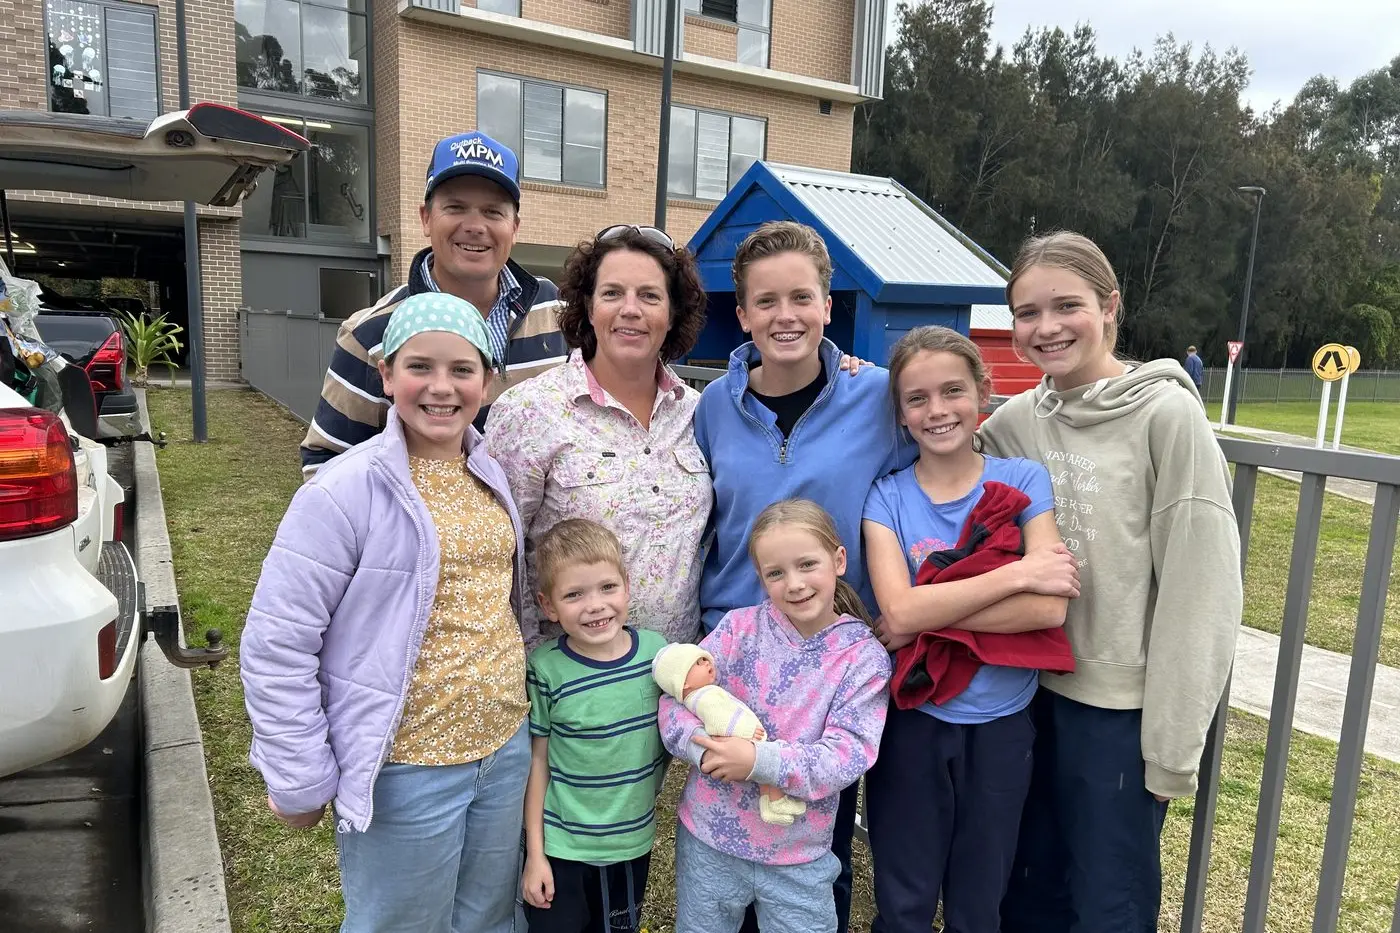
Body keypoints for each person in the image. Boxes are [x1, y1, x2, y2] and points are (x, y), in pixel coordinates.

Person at [241, 293, 533, 933]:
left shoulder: (490, 473)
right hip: (408, 765)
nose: (441, 387)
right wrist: (298, 774)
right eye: (419, 367)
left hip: (502, 748)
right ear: (386, 375)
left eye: (462, 370)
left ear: (487, 380)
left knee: (488, 919)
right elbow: (277, 643)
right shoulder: (343, 491)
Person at [981, 232, 1243, 933]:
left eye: (1067, 305)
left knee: (1109, 903)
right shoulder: (1015, 422)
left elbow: (1203, 592)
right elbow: (933, 426)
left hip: (1119, 718)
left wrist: (1172, 748)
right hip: (1026, 698)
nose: (1047, 327)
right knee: (1025, 892)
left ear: (1110, 306)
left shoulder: (1167, 416)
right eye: (1027, 312)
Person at [691, 220, 914, 933]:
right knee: (727, 843)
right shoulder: (713, 408)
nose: (784, 315)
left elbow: (952, 447)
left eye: (801, 297)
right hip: (735, 654)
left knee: (814, 853)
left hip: (830, 660)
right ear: (744, 311)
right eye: (766, 301)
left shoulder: (879, 398)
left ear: (827, 304)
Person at [861, 326, 1079, 933]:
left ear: (983, 391)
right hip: (914, 721)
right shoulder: (887, 498)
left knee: (979, 903)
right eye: (917, 398)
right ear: (901, 413)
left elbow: (1048, 611)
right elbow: (898, 615)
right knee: (904, 900)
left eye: (952, 391)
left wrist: (930, 615)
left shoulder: (1022, 481)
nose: (937, 411)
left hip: (1003, 726)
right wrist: (1018, 576)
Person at [660, 499, 891, 933]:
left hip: (798, 854)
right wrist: (704, 750)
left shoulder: (862, 659)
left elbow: (847, 754)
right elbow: (676, 698)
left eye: (807, 564)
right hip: (710, 840)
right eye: (776, 573)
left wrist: (756, 761)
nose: (795, 584)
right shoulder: (737, 629)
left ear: (838, 560)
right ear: (761, 577)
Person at [485, 224, 711, 645]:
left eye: (649, 295)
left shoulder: (698, 414)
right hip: (569, 687)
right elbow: (500, 556)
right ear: (589, 308)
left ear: (672, 312)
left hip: (677, 675)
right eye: (612, 294)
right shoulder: (530, 412)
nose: (630, 309)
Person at [299, 131, 566, 477]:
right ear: (426, 218)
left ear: (514, 227)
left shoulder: (560, 315)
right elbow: (327, 466)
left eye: (492, 212)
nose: (474, 226)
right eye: (455, 207)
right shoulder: (369, 334)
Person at [522, 519, 667, 933]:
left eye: (607, 587)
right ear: (547, 605)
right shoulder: (545, 670)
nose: (595, 605)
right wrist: (536, 853)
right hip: (561, 848)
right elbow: (539, 763)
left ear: (627, 585)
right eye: (573, 595)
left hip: (630, 844)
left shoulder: (657, 656)